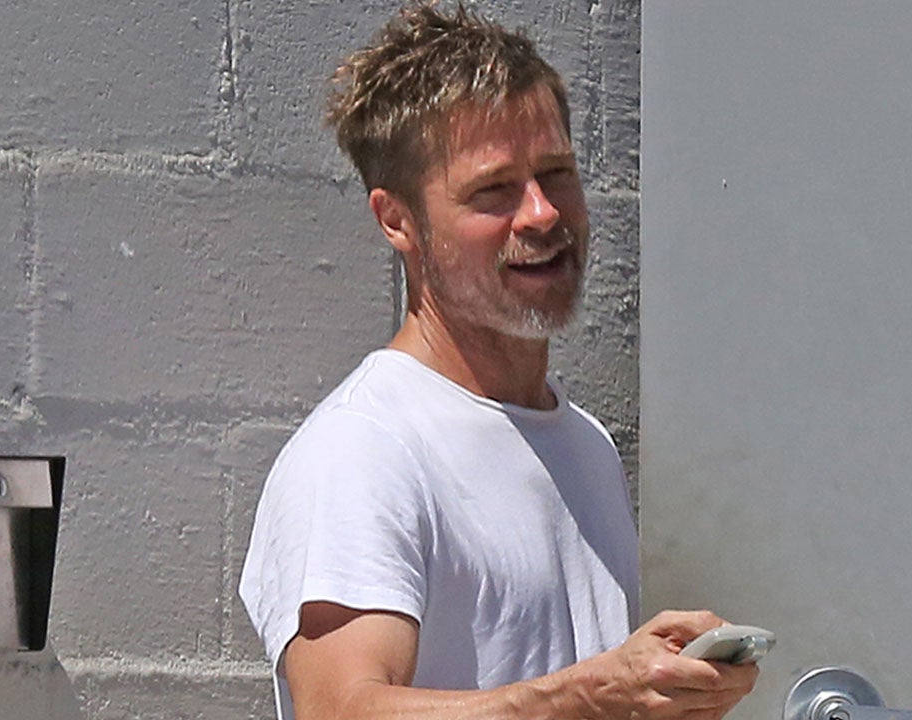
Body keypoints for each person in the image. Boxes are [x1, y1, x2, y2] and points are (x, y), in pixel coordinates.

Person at [239, 3, 760, 719]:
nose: (543, 213)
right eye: (494, 190)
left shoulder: (585, 445)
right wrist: (590, 692)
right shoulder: (364, 451)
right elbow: (341, 709)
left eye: (556, 172)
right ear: (397, 220)